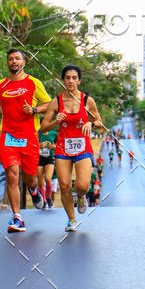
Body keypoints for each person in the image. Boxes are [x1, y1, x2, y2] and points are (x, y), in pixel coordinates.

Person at [0, 48, 51, 232]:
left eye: (17, 58)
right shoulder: (1, 84)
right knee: (12, 174)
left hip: (29, 135)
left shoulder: (33, 82)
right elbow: (0, 106)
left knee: (30, 178)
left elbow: (49, 104)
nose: (14, 61)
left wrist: (34, 110)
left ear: (25, 61)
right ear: (7, 63)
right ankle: (17, 218)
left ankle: (33, 190)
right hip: (8, 135)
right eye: (10, 59)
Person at [40, 64, 105, 231]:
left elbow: (100, 123)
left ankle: (82, 196)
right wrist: (56, 121)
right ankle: (71, 219)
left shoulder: (87, 100)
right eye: (67, 78)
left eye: (74, 78)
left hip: (83, 148)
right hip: (63, 148)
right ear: (63, 80)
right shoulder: (57, 102)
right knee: (64, 184)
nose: (71, 81)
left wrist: (91, 123)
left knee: (83, 185)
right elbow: (44, 127)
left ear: (79, 81)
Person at [37, 126, 57, 208]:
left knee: (48, 178)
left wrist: (53, 147)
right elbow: (31, 144)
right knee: (40, 182)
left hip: (49, 158)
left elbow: (59, 144)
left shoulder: (54, 134)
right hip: (38, 159)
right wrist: (39, 145)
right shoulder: (37, 133)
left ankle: (49, 198)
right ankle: (44, 201)